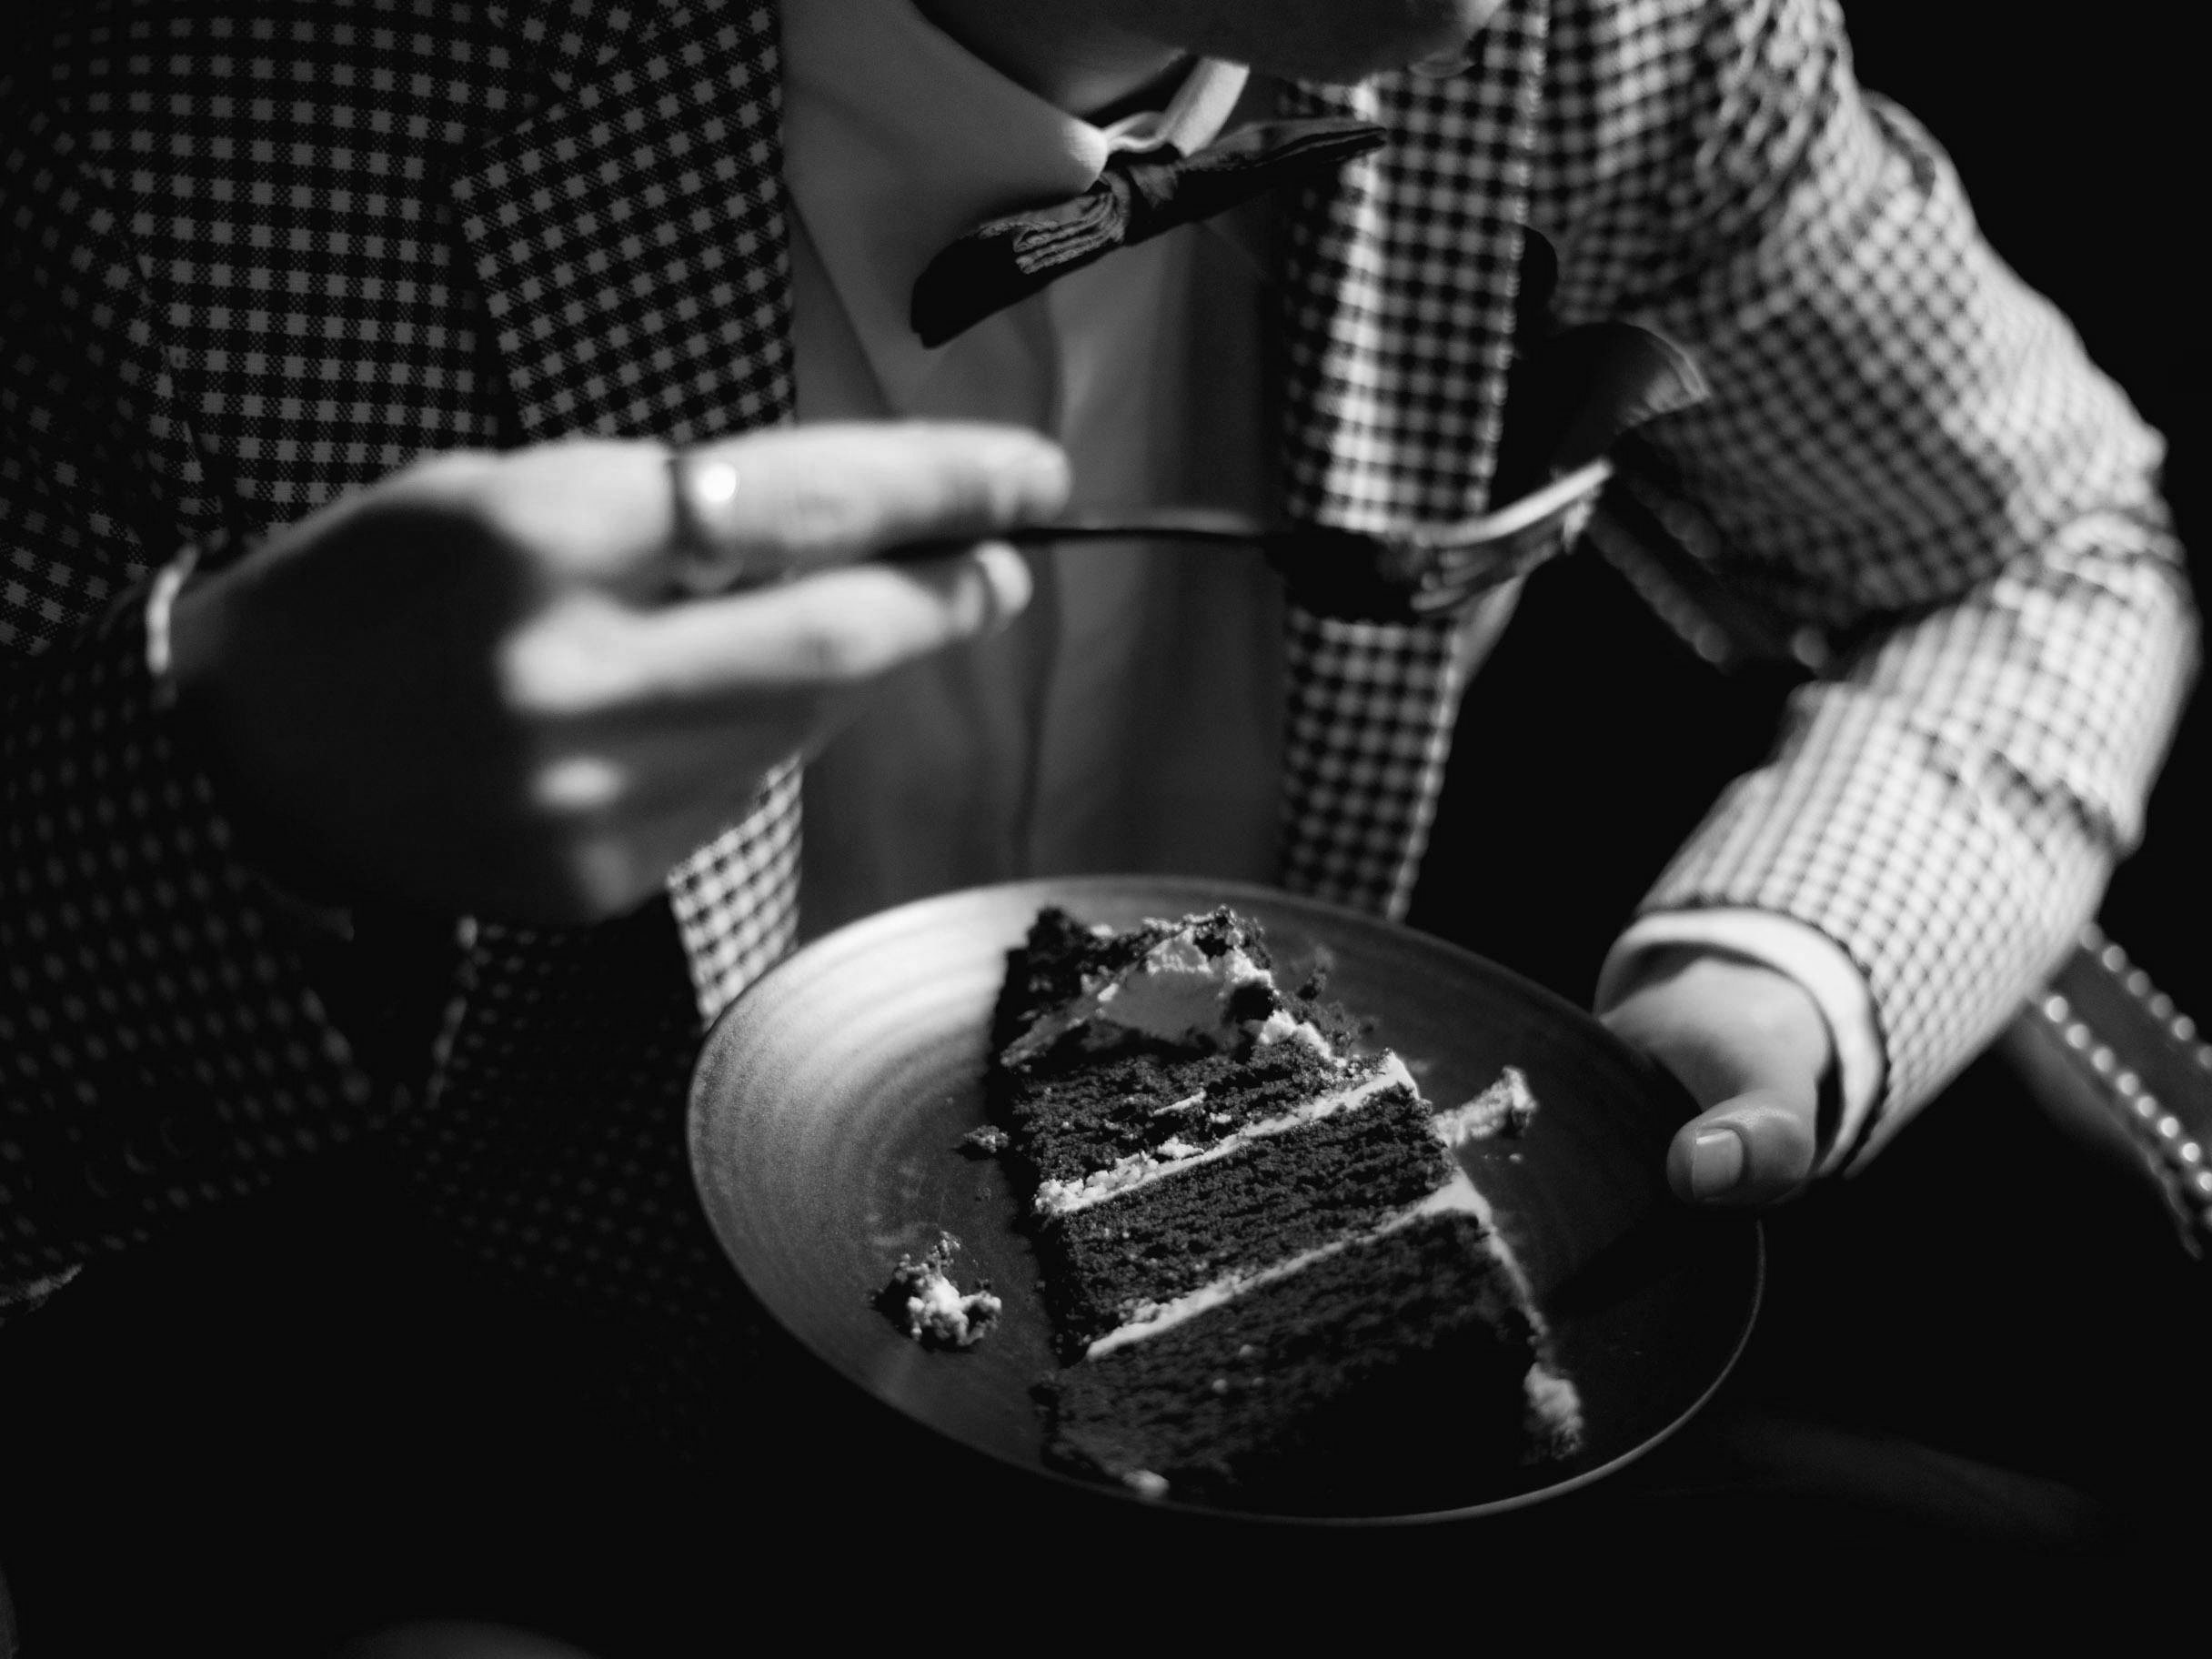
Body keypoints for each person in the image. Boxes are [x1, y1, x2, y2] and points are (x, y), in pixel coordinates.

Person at [0, 0, 2197, 1646]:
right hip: (505, 1489)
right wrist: (211, 780)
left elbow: (2043, 547)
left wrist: (1790, 957)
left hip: (1341, 1470)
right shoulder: (168, 147)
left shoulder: (1620, 33)